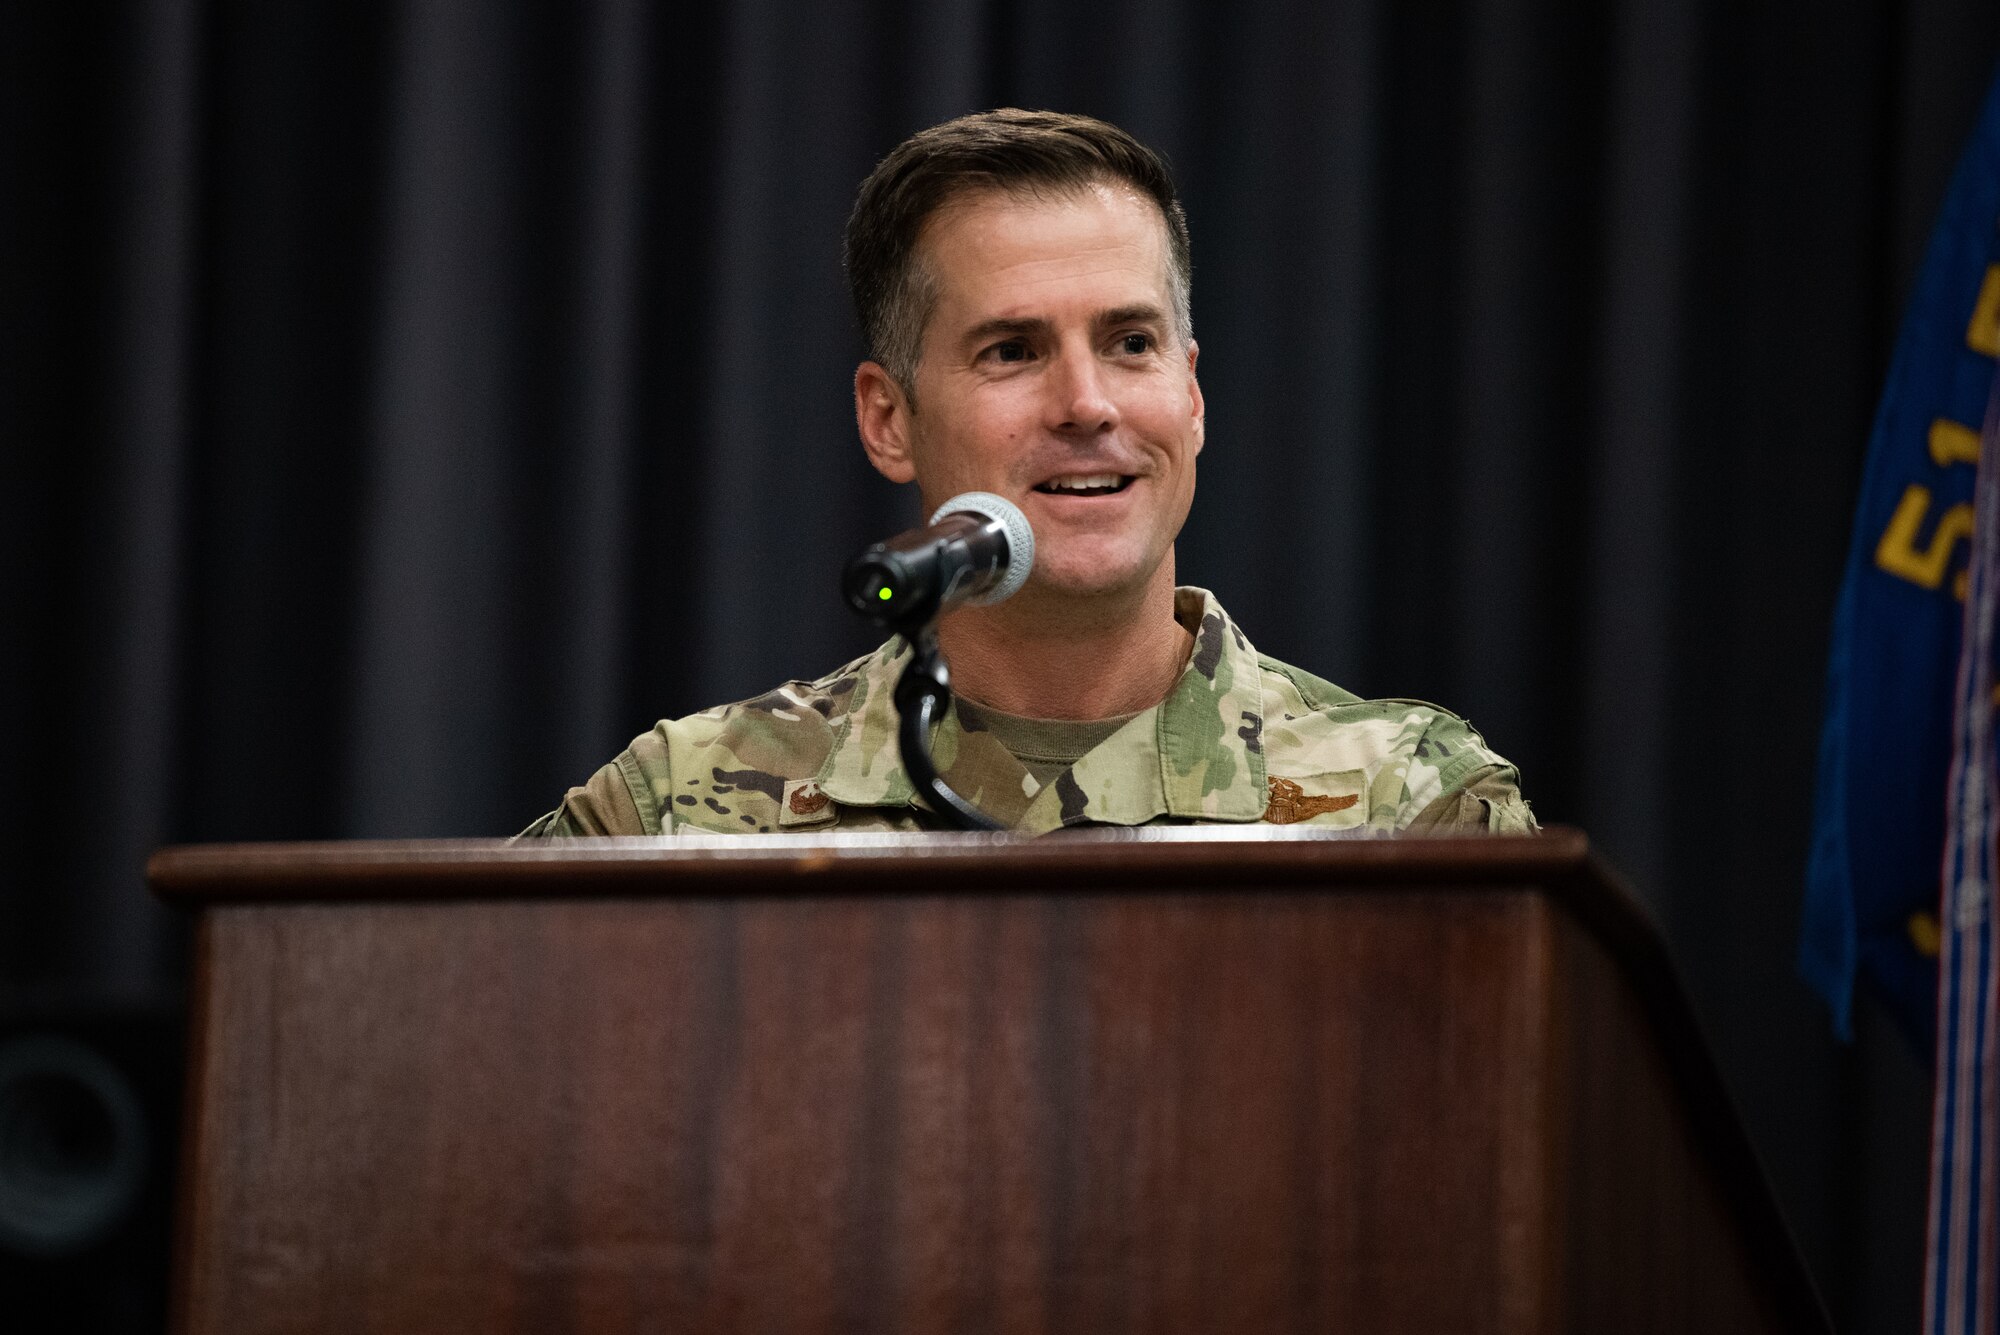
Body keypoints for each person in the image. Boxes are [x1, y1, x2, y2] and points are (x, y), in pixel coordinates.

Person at [522, 109, 1533, 838]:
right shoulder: (682, 810)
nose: (1085, 403)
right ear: (888, 419)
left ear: (1190, 393)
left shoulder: (1411, 805)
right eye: (1010, 350)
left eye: (1129, 342)